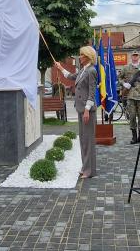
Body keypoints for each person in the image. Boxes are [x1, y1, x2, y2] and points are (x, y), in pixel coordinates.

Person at [54, 46, 98, 179]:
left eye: (81, 55)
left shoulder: (91, 71)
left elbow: (92, 93)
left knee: (88, 141)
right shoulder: (82, 70)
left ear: (88, 56)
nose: (79, 57)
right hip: (80, 108)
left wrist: (86, 110)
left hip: (87, 111)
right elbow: (71, 76)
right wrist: (60, 67)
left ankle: (90, 171)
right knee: (83, 140)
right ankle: (85, 167)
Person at [118, 51, 140, 145]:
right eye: (133, 55)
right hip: (130, 96)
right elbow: (119, 78)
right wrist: (123, 83)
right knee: (132, 116)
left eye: (136, 55)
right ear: (131, 57)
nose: (135, 57)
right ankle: (134, 137)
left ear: (138, 57)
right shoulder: (126, 68)